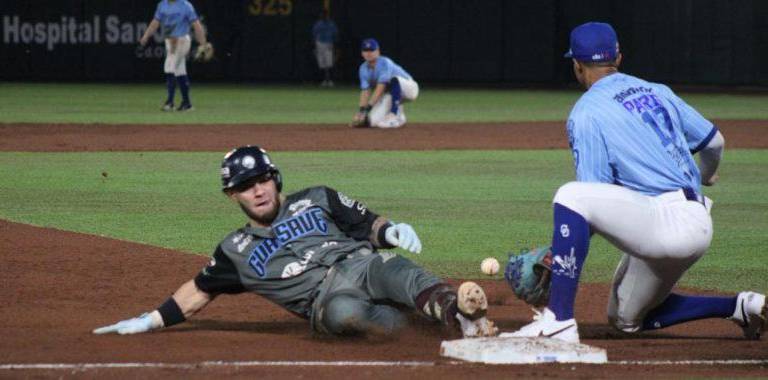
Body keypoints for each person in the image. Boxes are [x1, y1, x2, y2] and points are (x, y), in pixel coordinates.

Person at [504, 22, 766, 343]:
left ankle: (559, 319)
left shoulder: (586, 112)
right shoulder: (657, 90)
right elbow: (715, 142)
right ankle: (741, 306)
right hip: (695, 225)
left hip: (665, 226)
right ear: (618, 57)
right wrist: (706, 177)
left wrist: (555, 256)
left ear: (577, 65)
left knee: (571, 195)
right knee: (626, 318)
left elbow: (593, 195)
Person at [93, 145, 497, 338]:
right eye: (246, 186)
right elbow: (198, 291)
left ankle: (458, 311)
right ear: (232, 196)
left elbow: (368, 224)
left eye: (263, 180)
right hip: (325, 300)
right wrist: (150, 319)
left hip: (361, 264)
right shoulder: (235, 250)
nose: (258, 191)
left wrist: (389, 231)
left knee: (394, 269)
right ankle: (418, 330)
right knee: (346, 316)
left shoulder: (317, 197)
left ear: (276, 179)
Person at [139, 0, 208, 112]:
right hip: (169, 41)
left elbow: (196, 25)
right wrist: (146, 36)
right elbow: (155, 23)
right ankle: (187, 104)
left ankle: (170, 103)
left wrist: (203, 43)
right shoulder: (162, 5)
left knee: (169, 66)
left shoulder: (185, 5)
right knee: (180, 71)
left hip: (182, 40)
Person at [350, 38, 419, 129]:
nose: (368, 53)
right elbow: (365, 91)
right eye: (365, 50)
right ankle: (400, 117)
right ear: (362, 53)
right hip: (392, 93)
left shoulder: (384, 63)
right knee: (372, 122)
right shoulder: (363, 68)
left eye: (371, 50)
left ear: (378, 52)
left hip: (409, 88)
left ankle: (394, 114)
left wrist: (368, 109)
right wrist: (362, 111)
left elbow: (380, 88)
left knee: (394, 79)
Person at [311, 9, 338, 87]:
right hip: (319, 44)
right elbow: (314, 35)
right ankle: (324, 80)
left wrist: (336, 46)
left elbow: (335, 35)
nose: (324, 16)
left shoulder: (331, 24)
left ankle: (330, 80)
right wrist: (314, 47)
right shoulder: (318, 24)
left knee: (329, 63)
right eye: (323, 15)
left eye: (325, 15)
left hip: (328, 43)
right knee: (321, 63)